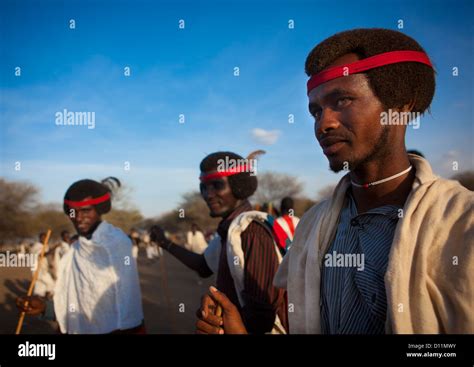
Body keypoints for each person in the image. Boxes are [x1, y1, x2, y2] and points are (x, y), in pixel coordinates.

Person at [196, 28, 473, 335]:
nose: (323, 123)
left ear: (400, 106)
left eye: (342, 101)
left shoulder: (462, 225)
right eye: (316, 111)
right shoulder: (313, 225)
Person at [151, 151, 289, 334]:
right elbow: (203, 266)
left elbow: (261, 317)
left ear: (239, 186)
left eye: (216, 185)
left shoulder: (251, 231)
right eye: (204, 187)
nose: (208, 194)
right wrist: (164, 242)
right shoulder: (230, 231)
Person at [17, 178, 145, 334]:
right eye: (73, 212)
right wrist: (45, 307)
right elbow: (77, 301)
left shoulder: (117, 244)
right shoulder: (75, 250)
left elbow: (125, 311)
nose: (78, 218)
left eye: (86, 210)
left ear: (99, 210)